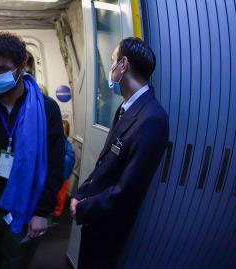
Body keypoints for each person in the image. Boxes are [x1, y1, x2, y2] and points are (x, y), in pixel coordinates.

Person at [0, 32, 65, 268]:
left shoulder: (47, 110)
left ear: (22, 66)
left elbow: (55, 166)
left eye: (3, 69)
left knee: (15, 263)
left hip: (27, 207)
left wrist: (42, 212)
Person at [70, 37, 169, 269]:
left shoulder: (152, 119)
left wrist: (84, 207)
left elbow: (128, 190)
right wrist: (80, 192)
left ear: (123, 65)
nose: (111, 66)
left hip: (109, 225)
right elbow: (105, 164)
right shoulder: (126, 107)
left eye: (113, 60)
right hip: (96, 213)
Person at [51, 120, 76, 224]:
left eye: (62, 130)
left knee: (60, 196)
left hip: (62, 176)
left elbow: (69, 159)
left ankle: (57, 215)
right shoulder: (54, 142)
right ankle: (52, 211)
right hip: (55, 175)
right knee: (53, 194)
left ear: (66, 132)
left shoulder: (67, 146)